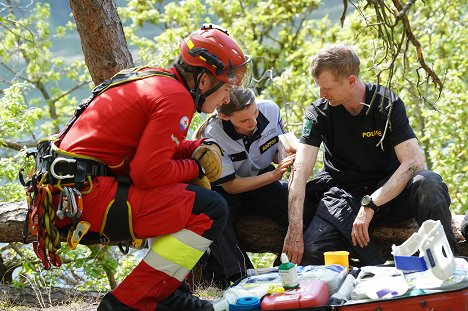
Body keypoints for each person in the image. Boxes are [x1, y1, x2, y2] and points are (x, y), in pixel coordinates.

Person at [40, 24, 251, 311]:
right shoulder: (176, 97)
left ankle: (170, 292)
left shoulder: (154, 78)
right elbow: (147, 172)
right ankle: (128, 303)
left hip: (72, 191)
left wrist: (193, 149)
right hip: (86, 196)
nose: (226, 99)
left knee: (183, 194)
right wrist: (196, 168)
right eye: (226, 88)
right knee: (210, 209)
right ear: (203, 81)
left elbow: (144, 149)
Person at [283, 43, 459, 266]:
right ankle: (365, 281)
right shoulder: (318, 112)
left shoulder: (387, 104)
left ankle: (450, 264)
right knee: (311, 251)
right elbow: (300, 170)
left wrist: (371, 204)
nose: (321, 94)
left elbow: (414, 162)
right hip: (345, 198)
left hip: (390, 194)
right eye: (319, 87)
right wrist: (295, 230)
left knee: (428, 182)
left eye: (327, 88)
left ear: (350, 81)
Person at [194, 87, 308, 286]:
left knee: (302, 207)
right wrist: (274, 175)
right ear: (224, 116)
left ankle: (287, 268)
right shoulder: (212, 134)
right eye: (244, 120)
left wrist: (288, 156)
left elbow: (275, 151)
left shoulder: (270, 110)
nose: (253, 122)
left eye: (254, 113)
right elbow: (231, 186)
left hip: (264, 180)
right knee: (215, 218)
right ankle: (242, 279)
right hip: (228, 190)